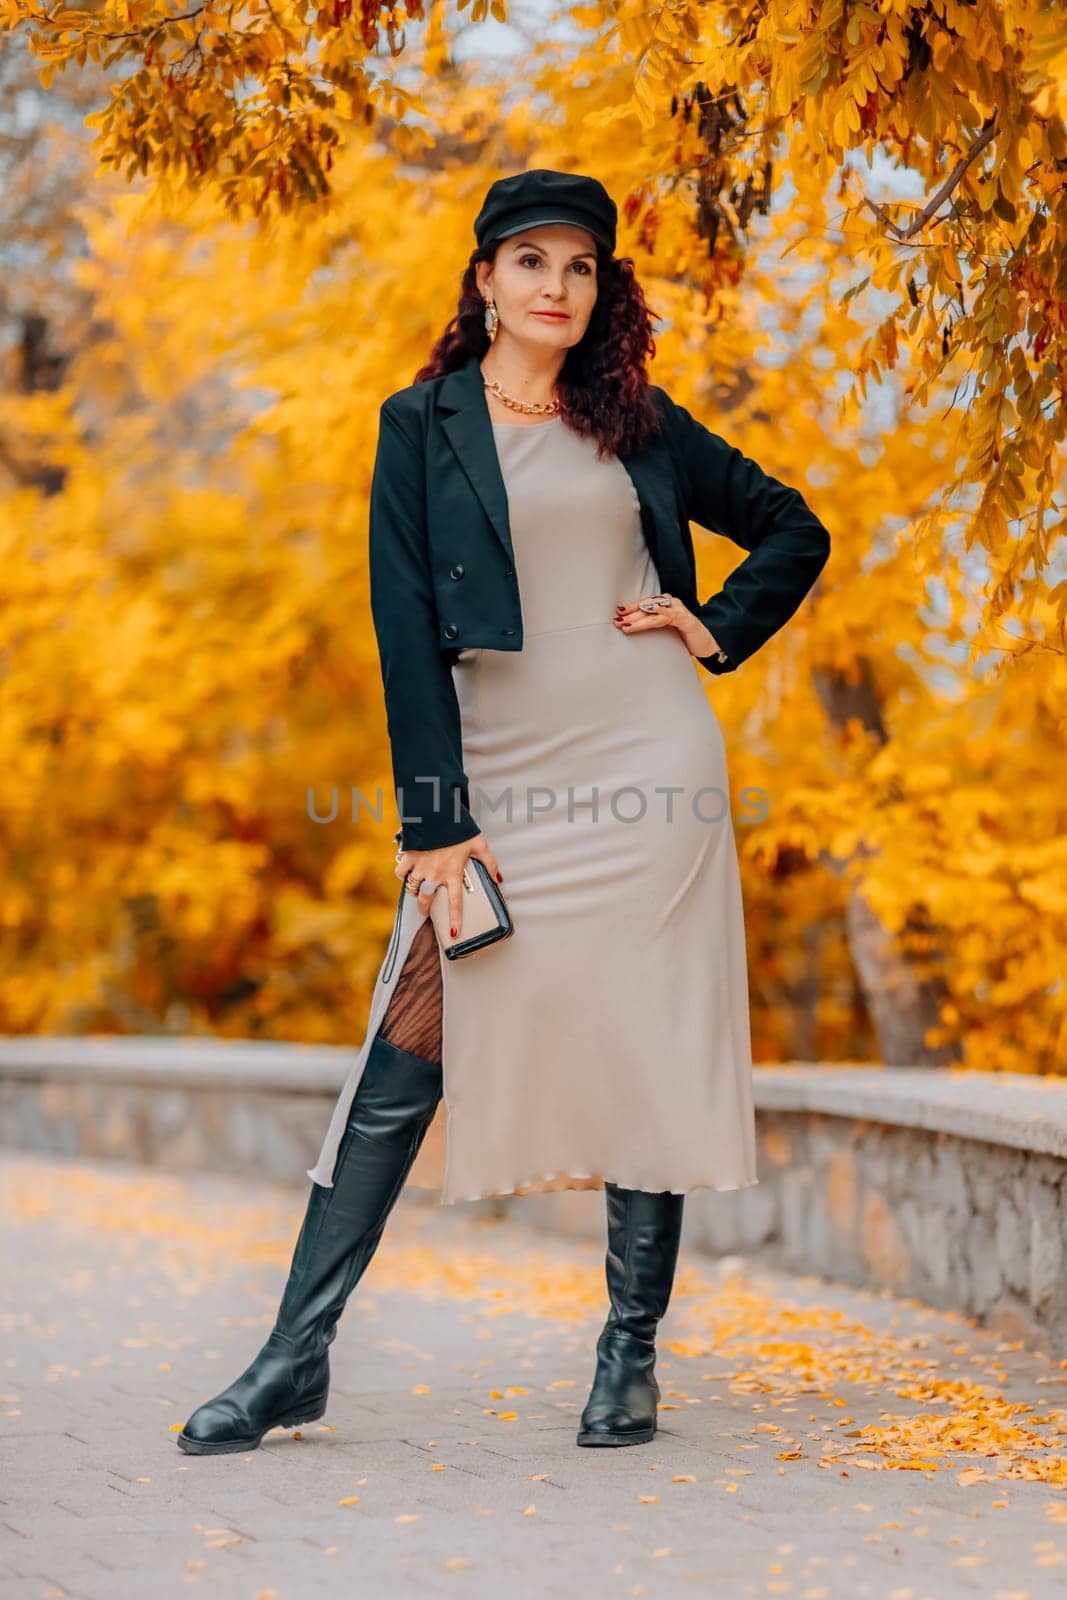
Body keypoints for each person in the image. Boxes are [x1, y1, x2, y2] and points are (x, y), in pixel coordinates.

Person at [177, 168, 831, 1457]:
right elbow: (403, 631)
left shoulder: (634, 422)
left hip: (648, 767)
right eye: (531, 262)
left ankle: (628, 1356)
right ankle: (292, 1358)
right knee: (407, 1043)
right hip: (496, 781)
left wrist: (715, 628)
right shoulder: (418, 426)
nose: (556, 287)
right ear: (484, 280)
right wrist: (434, 822)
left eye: (581, 267)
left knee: (646, 1041)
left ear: (602, 292)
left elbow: (793, 529)